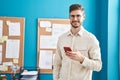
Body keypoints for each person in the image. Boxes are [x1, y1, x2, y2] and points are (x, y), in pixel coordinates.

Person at [53, 4, 102, 80]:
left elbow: (98, 66)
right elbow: (57, 64)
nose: (75, 19)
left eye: (78, 16)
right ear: (69, 17)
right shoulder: (61, 38)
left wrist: (82, 59)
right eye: (72, 16)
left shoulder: (91, 39)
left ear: (83, 17)